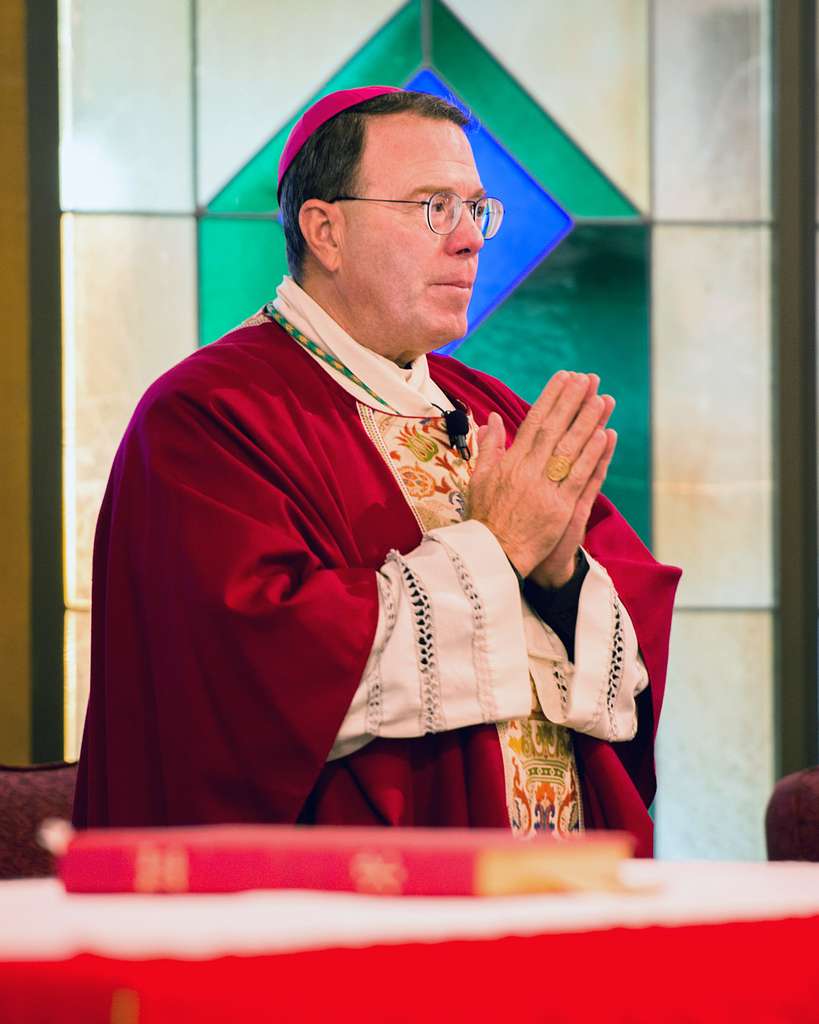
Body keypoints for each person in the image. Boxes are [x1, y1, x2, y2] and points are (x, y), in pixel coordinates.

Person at [73, 87, 681, 856]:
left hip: (545, 882)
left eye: (476, 209)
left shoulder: (490, 411)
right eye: (432, 206)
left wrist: (561, 581)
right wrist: (497, 555)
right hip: (345, 903)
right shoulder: (211, 418)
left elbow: (630, 665)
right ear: (325, 230)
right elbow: (252, 683)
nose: (469, 240)